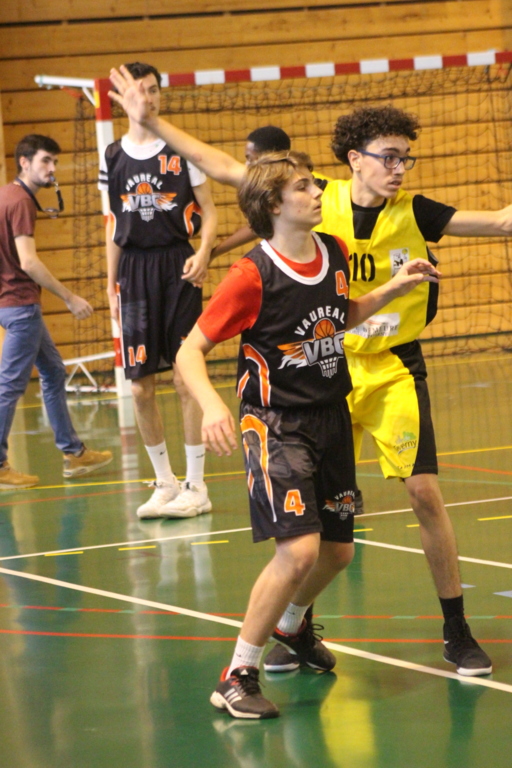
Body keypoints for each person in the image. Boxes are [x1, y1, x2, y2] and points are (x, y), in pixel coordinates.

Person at [107, 66, 494, 678]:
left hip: (388, 367)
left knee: (407, 501)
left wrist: (395, 288)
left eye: (406, 158)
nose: (399, 168)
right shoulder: (313, 204)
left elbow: (499, 222)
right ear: (355, 159)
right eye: (389, 157)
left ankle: (456, 629)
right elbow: (225, 168)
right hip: (317, 378)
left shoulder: (415, 212)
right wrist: (151, 121)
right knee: (312, 540)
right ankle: (273, 641)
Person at [175, 150, 439, 719]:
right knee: (298, 551)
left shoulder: (334, 251)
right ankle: (237, 674)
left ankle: (291, 627)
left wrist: (395, 287)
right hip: (276, 424)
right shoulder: (251, 274)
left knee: (338, 552)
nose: (318, 192)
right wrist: (212, 405)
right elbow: (189, 350)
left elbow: (340, 316)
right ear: (273, 204)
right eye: (302, 187)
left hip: (330, 415)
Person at [99, 62, 218, 519]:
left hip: (177, 266)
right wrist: (110, 283)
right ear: (123, 99)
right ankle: (165, 483)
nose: (146, 98)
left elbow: (210, 210)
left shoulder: (181, 149)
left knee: (185, 378)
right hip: (133, 272)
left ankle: (196, 485)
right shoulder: (113, 155)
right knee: (139, 388)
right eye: (139, 91)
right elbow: (114, 224)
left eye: (153, 90)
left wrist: (204, 251)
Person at [0, 134, 113, 488]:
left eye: (54, 162)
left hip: (12, 304)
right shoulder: (21, 201)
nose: (52, 168)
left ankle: (74, 453)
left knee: (52, 371)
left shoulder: (5, 195)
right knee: (9, 386)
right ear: (24, 162)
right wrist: (69, 297)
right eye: (45, 161)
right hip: (21, 306)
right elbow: (29, 262)